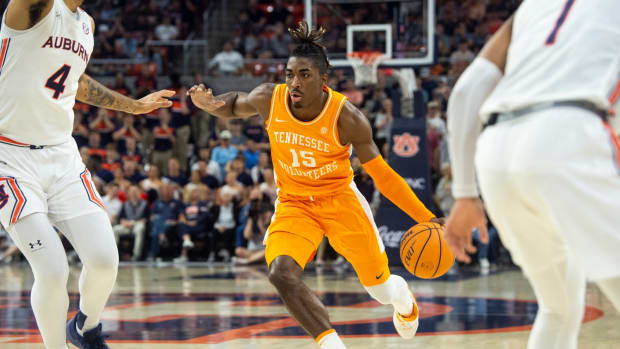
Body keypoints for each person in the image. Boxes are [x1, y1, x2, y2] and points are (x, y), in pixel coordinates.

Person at [188, 21, 441, 349]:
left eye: (304, 75)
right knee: (280, 272)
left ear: (323, 80)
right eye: (290, 74)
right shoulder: (270, 98)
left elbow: (384, 176)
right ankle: (331, 344)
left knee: (379, 291)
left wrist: (426, 218)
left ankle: (402, 297)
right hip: (294, 204)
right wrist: (212, 104)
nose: (294, 82)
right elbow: (236, 102)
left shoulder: (347, 118)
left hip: (340, 201)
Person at [444, 3, 620, 349]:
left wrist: (465, 194)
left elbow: (466, 91)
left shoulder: (533, 7)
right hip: (572, 134)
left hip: (498, 151)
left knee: (558, 308)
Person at [0, 1, 174, 348]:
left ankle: (85, 329)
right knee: (51, 270)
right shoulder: (32, 9)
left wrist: (134, 105)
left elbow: (74, 80)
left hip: (62, 155)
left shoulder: (86, 25)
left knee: (105, 260)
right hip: (9, 156)